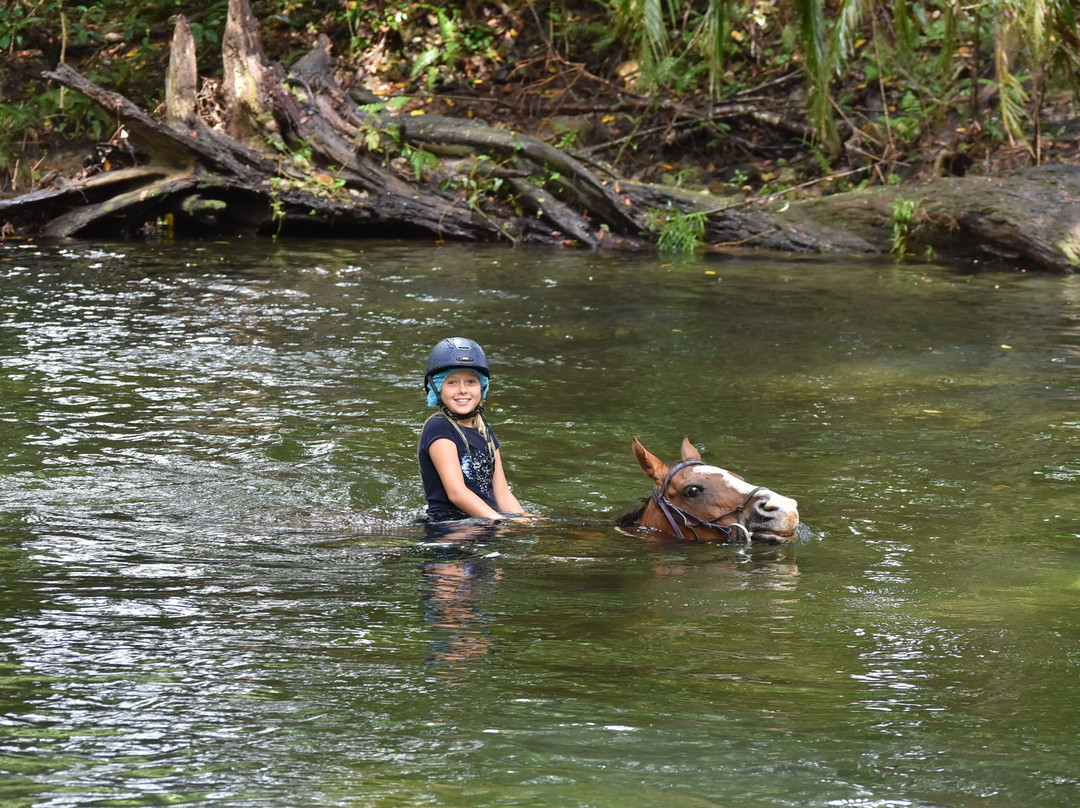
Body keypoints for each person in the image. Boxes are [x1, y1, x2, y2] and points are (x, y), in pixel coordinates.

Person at [418, 337, 528, 524]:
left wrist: (526, 521)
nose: (462, 390)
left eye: (471, 381)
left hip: (484, 522)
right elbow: (456, 493)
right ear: (437, 388)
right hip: (450, 526)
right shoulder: (439, 427)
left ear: (482, 387)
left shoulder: (485, 431)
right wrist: (500, 522)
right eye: (452, 382)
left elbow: (502, 494)